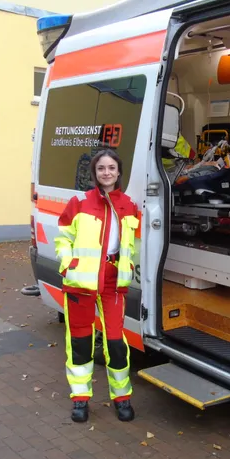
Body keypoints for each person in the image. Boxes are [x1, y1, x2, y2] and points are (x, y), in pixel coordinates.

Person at [54, 148, 140, 423]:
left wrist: (128, 267)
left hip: (113, 283)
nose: (106, 172)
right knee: (80, 342)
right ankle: (80, 399)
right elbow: (63, 238)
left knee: (116, 342)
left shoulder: (128, 204)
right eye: (101, 168)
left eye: (111, 168)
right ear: (94, 173)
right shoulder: (79, 202)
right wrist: (69, 265)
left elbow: (132, 244)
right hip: (81, 283)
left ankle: (122, 397)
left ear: (118, 172)